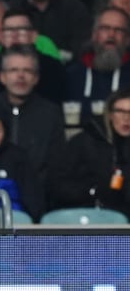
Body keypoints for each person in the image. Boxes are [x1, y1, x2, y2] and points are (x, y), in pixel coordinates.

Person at [0, 45, 66, 181]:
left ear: (36, 78)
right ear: (2, 77)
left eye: (27, 71)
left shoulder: (51, 113)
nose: (20, 76)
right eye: (13, 70)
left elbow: (56, 165)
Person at [47, 88, 130, 216]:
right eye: (120, 111)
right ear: (110, 114)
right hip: (87, 215)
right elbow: (58, 185)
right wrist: (93, 191)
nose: (126, 118)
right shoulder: (83, 142)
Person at [0, 8, 67, 106]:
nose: (15, 35)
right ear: (2, 37)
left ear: (34, 35)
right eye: (9, 30)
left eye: (21, 29)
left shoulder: (53, 68)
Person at [64, 7, 130, 128]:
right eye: (105, 28)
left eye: (119, 30)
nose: (111, 35)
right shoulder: (72, 76)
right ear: (94, 35)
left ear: (127, 39)